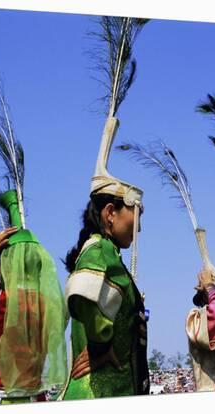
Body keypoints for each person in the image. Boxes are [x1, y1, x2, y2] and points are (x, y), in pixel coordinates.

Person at [62, 114, 149, 399]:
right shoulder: (98, 250)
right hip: (99, 391)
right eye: (135, 216)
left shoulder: (106, 252)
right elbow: (81, 294)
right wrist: (102, 346)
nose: (139, 226)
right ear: (110, 213)